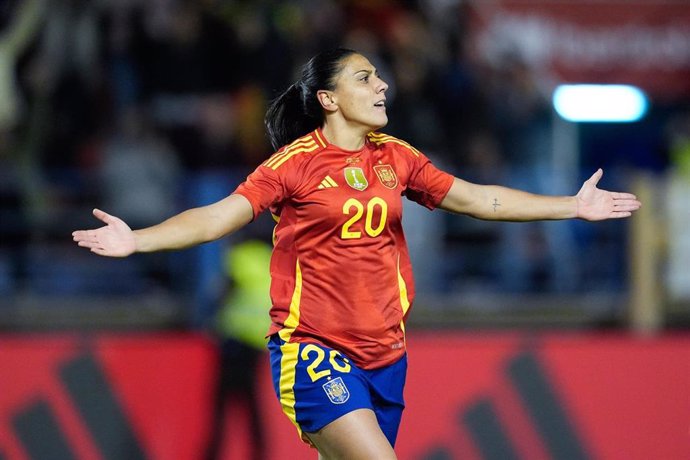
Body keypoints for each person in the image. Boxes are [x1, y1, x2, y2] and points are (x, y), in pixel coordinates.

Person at [72, 48, 641, 459]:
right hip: (314, 352)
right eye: (365, 78)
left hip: (387, 357)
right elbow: (218, 215)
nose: (381, 87)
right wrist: (138, 238)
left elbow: (479, 198)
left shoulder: (397, 157)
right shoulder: (293, 165)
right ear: (328, 98)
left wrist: (570, 205)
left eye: (379, 78)